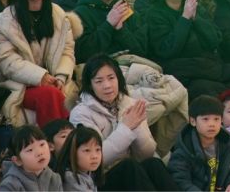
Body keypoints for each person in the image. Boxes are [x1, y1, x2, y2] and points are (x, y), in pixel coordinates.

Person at [68, 54, 178, 190]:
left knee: (153, 163)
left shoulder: (130, 104)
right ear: (90, 85)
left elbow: (146, 155)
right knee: (128, 167)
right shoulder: (80, 113)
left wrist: (137, 127)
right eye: (99, 81)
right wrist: (126, 127)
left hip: (132, 174)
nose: (107, 85)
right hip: (99, 181)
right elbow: (95, 159)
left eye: (111, 78)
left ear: (118, 79)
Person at [0, 0, 76, 127]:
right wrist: (40, 77)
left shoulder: (58, 14)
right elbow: (7, 61)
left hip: (55, 80)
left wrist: (60, 77)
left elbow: (67, 50)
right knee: (49, 95)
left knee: (63, 93)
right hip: (20, 84)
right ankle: (56, 138)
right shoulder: (5, 21)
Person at [168, 95, 230, 192]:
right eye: (205, 119)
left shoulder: (227, 144)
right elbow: (180, 181)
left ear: (222, 120)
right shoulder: (184, 150)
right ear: (193, 121)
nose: (212, 124)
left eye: (216, 119)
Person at [73, 0, 148, 63]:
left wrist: (121, 30)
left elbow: (142, 51)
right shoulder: (80, 14)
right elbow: (82, 54)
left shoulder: (126, 10)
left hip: (132, 65)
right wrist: (108, 25)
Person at [0, 125, 63, 191]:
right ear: (18, 161)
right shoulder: (10, 185)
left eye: (42, 144)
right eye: (30, 150)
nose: (39, 153)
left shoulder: (54, 178)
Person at [57, 125, 104, 192]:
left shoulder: (88, 171)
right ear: (72, 152)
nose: (94, 156)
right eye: (87, 150)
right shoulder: (70, 178)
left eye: (98, 150)